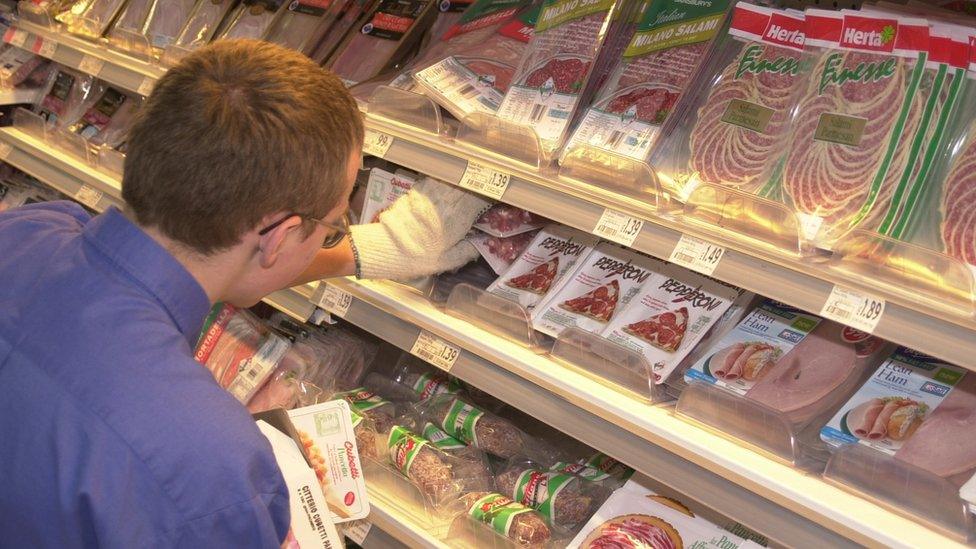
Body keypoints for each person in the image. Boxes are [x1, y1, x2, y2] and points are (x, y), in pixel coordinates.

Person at [0, 40, 488, 547]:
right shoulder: (213, 470)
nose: (333, 234)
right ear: (278, 237)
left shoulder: (28, 230)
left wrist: (361, 251)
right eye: (333, 224)